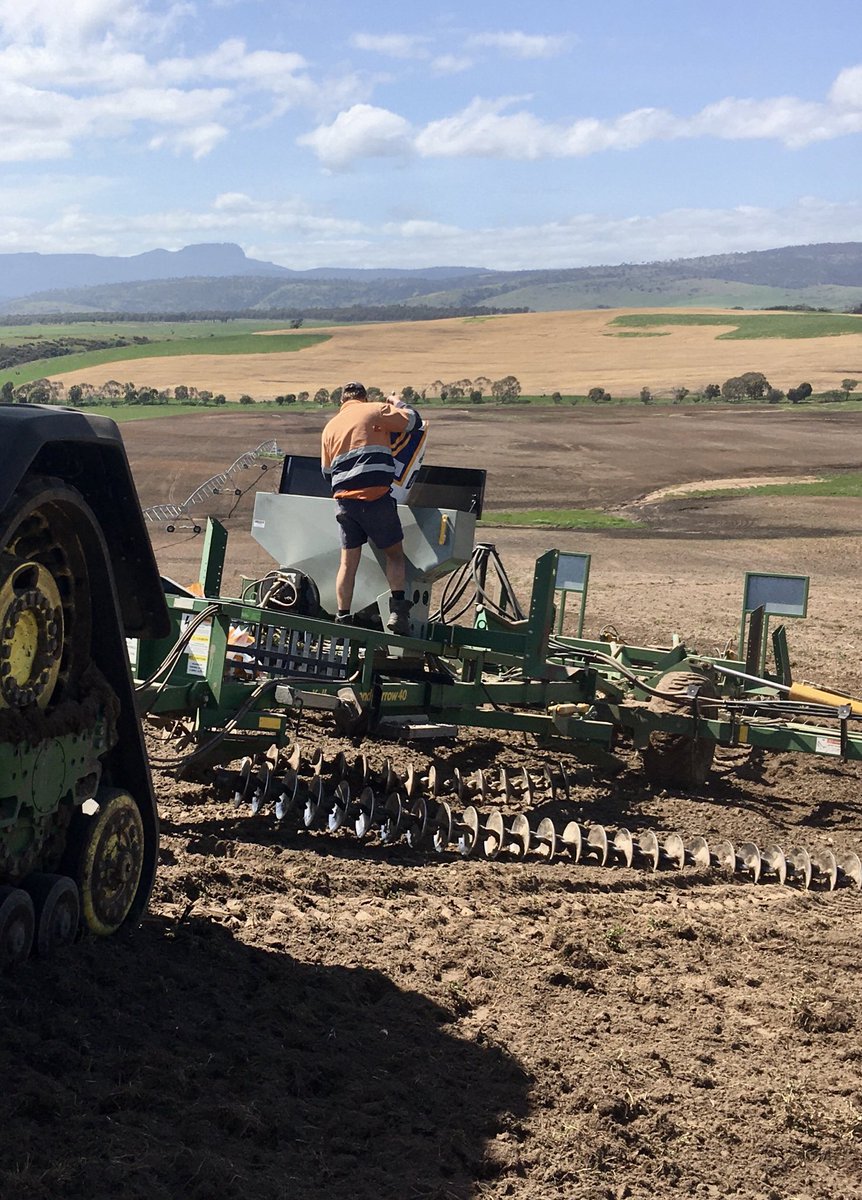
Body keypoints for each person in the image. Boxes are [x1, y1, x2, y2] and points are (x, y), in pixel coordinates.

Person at [320, 381, 420, 635]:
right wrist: (397, 403)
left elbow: (327, 472)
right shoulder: (375, 410)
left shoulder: (330, 428)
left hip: (345, 503)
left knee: (347, 563)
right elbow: (413, 422)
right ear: (364, 398)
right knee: (394, 555)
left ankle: (343, 618)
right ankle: (398, 612)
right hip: (376, 497)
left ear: (342, 401)